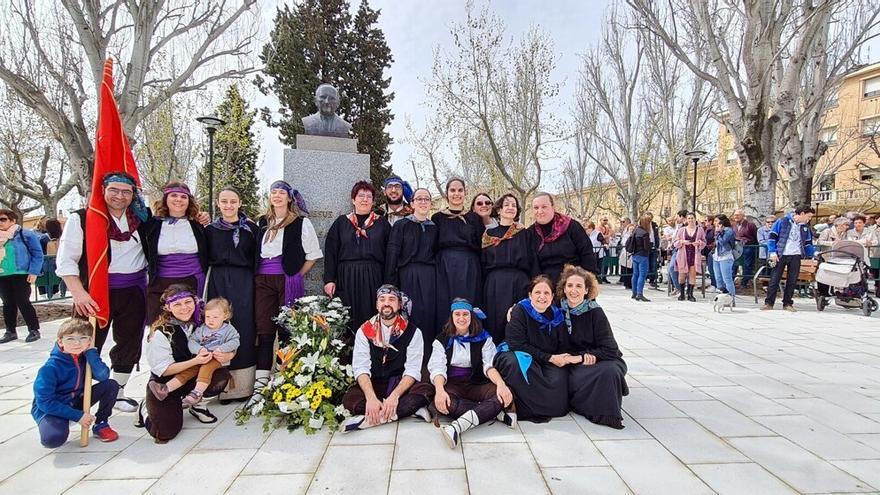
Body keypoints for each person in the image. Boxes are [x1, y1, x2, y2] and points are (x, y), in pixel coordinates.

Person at [55, 172, 149, 411]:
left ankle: (117, 391)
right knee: (83, 342)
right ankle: (71, 394)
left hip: (133, 289)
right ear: (103, 190)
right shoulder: (84, 219)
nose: (120, 196)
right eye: (114, 190)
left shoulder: (142, 219)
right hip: (95, 292)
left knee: (129, 342)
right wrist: (78, 292)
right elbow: (67, 260)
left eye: (126, 191)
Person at [254, 181, 321, 400]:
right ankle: (261, 382)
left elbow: (312, 255)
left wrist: (296, 276)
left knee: (287, 329)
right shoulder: (262, 222)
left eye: (282, 192)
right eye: (273, 192)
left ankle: (286, 377)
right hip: (263, 279)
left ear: (290, 198)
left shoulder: (300, 223)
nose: (277, 196)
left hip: (287, 278)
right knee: (264, 329)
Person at [141, 284, 231, 443]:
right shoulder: (161, 332)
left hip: (194, 377)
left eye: (188, 302)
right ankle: (145, 408)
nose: (184, 308)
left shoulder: (204, 322)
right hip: (166, 382)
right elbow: (164, 370)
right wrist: (195, 361)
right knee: (164, 432)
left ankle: (197, 404)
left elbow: (229, 339)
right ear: (168, 307)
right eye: (177, 304)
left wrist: (228, 354)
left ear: (195, 301)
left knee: (220, 376)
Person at [340, 285, 434, 432]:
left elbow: (412, 370)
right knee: (349, 399)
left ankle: (369, 420)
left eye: (391, 299)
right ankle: (406, 411)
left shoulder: (413, 332)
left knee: (425, 391)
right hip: (375, 383)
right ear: (377, 304)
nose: (386, 303)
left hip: (399, 384)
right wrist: (371, 398)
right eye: (382, 299)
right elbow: (361, 367)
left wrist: (395, 396)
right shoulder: (364, 331)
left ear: (399, 304)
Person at [428, 299, 515, 448]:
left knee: (503, 393)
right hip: (453, 384)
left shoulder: (483, 338)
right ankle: (491, 412)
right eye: (457, 314)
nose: (461, 318)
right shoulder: (441, 340)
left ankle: (456, 427)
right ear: (452, 316)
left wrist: (501, 384)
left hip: (476, 382)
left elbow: (489, 366)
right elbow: (438, 368)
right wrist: (440, 391)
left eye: (465, 314)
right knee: (447, 403)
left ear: (471, 316)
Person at [493, 275, 576, 421]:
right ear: (530, 295)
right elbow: (516, 344)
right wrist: (549, 357)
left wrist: (563, 358)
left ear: (552, 296)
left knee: (559, 377)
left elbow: (562, 345)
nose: (542, 297)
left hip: (545, 356)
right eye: (537, 292)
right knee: (516, 365)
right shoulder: (519, 310)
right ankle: (518, 408)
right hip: (518, 352)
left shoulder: (557, 315)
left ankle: (548, 408)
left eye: (546, 293)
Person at [204, 186, 259, 403]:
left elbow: (257, 258)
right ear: (218, 203)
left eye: (233, 201)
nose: (229, 206)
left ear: (240, 203)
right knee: (219, 327)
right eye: (224, 201)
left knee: (244, 327)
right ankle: (221, 385)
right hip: (218, 280)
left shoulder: (251, 230)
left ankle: (243, 386)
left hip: (244, 281)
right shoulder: (209, 230)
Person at [557, 266, 628, 429]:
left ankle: (606, 414)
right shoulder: (556, 309)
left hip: (600, 359)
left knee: (609, 372)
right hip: (570, 362)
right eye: (570, 286)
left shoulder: (595, 312)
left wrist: (583, 357)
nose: (573, 290)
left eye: (579, 286)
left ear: (586, 290)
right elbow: (534, 301)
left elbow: (610, 349)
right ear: (564, 288)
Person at [31, 319, 120, 447]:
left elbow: (103, 376)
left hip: (77, 401)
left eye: (83, 338)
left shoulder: (85, 358)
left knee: (110, 385)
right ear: (60, 341)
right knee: (52, 439)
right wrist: (78, 416)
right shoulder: (49, 368)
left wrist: (91, 353)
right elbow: (44, 402)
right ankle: (56, 423)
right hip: (53, 409)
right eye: (70, 339)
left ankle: (101, 423)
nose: (77, 343)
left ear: (89, 341)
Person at [325, 181, 391, 339]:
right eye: (361, 195)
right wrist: (329, 279)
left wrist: (389, 282)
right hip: (346, 277)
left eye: (369, 196)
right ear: (353, 199)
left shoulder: (382, 223)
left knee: (372, 317)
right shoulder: (341, 223)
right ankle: (347, 359)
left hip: (373, 277)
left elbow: (390, 254)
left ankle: (372, 356)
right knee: (348, 318)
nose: (365, 199)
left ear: (373, 201)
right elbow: (331, 251)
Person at [148, 297, 240, 408]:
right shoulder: (202, 328)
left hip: (216, 359)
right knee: (188, 372)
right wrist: (199, 350)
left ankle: (197, 393)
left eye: (215, 317)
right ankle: (165, 388)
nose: (211, 320)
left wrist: (223, 349)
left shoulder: (228, 330)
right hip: (202, 357)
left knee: (206, 369)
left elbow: (235, 341)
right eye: (208, 317)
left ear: (225, 316)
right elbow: (192, 341)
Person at [142, 182, 207, 323]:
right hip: (161, 283)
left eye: (184, 197)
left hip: (192, 282)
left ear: (189, 201)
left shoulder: (198, 225)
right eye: (174, 195)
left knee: (190, 326)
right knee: (160, 326)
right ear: (166, 198)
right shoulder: (153, 225)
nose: (178, 199)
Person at [385, 187, 439, 359]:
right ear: (413, 203)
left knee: (429, 315)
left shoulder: (434, 228)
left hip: (430, 277)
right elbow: (392, 254)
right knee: (409, 314)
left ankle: (427, 358)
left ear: (431, 204)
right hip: (408, 275)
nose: (423, 202)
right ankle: (406, 358)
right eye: (419, 199)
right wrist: (390, 284)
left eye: (426, 199)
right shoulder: (401, 225)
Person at [481, 193, 539, 343]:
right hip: (495, 284)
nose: (510, 208)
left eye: (514, 205)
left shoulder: (525, 234)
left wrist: (535, 287)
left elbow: (533, 261)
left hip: (519, 283)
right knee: (495, 320)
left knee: (516, 320)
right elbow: (483, 262)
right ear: (499, 210)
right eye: (506, 205)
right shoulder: (489, 235)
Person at [432, 179, 483, 329]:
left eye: (460, 190)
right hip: (444, 267)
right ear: (447, 193)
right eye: (452, 190)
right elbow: (433, 245)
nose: (456, 194)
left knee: (469, 301)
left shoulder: (474, 218)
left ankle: (471, 338)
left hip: (469, 266)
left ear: (465, 193)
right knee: (444, 303)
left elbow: (480, 245)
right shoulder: (437, 218)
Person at [528, 192, 597, 286]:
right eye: (536, 208)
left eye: (544, 207)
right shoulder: (530, 233)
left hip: (572, 283)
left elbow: (587, 255)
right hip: (545, 286)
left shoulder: (571, 226)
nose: (540, 211)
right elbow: (532, 264)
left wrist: (587, 283)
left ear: (553, 207)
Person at [0, 208, 43, 343]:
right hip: (3, 274)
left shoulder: (25, 234)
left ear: (13, 220)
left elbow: (37, 254)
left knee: (23, 301)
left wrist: (34, 271)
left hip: (21, 274)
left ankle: (33, 329)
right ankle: (10, 331)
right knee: (7, 303)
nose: (0, 222)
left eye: (3, 219)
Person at [762, 205, 816, 312]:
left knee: (792, 280)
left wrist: (815, 253)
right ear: (802, 214)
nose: (809, 219)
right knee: (774, 279)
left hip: (796, 255)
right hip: (781, 254)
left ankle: (787, 303)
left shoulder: (805, 227)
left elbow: (808, 244)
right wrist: (772, 252)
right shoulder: (783, 221)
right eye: (808, 216)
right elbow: (772, 237)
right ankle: (769, 302)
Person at [672, 212, 706, 302]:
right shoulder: (681, 230)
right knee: (682, 275)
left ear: (695, 219)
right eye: (689, 218)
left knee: (692, 274)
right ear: (686, 220)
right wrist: (682, 242)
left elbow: (704, 242)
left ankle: (690, 294)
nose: (690, 220)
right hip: (683, 254)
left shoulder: (700, 230)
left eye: (692, 218)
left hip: (694, 255)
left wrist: (699, 243)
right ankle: (682, 293)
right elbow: (675, 243)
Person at [627, 214, 652, 302]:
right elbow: (646, 247)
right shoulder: (645, 233)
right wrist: (650, 245)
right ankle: (639, 293)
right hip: (643, 255)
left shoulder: (636, 230)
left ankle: (634, 292)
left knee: (635, 274)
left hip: (635, 254)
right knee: (642, 274)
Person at [713, 214, 737, 303]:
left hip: (726, 256)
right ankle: (721, 298)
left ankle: (731, 299)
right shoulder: (717, 231)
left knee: (727, 278)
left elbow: (723, 242)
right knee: (718, 278)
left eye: (716, 221)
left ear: (722, 222)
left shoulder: (728, 231)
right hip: (716, 256)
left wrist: (719, 232)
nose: (715, 223)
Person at [732, 209, 758, 289]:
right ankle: (731, 280)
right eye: (735, 215)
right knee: (734, 265)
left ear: (743, 216)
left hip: (748, 247)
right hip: (736, 247)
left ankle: (744, 282)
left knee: (747, 265)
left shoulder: (750, 225)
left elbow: (755, 237)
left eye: (738, 215)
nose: (736, 216)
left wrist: (747, 241)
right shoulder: (733, 225)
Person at [664, 211, 688, 295]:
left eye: (677, 217)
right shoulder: (678, 227)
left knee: (681, 268)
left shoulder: (685, 226)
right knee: (672, 267)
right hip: (675, 249)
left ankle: (684, 288)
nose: (675, 219)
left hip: (684, 249)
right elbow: (672, 237)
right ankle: (678, 288)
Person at [618, 218, 634, 289]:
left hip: (629, 251)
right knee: (624, 267)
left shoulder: (631, 230)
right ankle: (625, 282)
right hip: (624, 250)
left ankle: (629, 283)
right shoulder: (625, 231)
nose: (622, 223)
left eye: (623, 222)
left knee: (629, 268)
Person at [702, 216, 717, 291]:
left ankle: (715, 284)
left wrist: (710, 246)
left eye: (706, 220)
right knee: (710, 268)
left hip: (712, 250)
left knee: (712, 268)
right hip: (706, 250)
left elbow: (715, 239)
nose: (705, 222)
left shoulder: (714, 229)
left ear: (710, 221)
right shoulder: (705, 229)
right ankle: (713, 284)